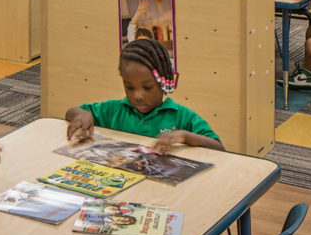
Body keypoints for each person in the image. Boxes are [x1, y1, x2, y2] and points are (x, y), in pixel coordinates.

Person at [64, 38, 224, 154]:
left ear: (163, 83)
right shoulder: (115, 110)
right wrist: (82, 114)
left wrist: (184, 136)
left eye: (147, 87)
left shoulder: (181, 116)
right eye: (129, 87)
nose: (137, 95)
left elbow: (218, 147)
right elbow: (72, 112)